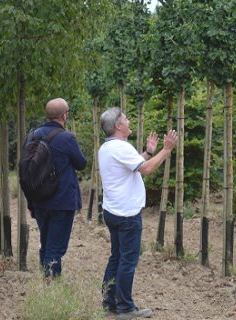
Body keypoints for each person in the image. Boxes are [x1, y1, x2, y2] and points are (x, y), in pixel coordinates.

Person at [98, 107, 177, 319]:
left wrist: (148, 152)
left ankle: (109, 302)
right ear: (118, 126)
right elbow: (146, 169)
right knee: (128, 260)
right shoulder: (121, 148)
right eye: (126, 118)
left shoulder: (108, 148)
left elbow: (133, 164)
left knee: (117, 257)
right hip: (126, 215)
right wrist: (166, 150)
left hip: (112, 211)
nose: (129, 120)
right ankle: (125, 307)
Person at [29, 98, 87, 277]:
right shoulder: (67, 138)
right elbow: (81, 163)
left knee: (45, 242)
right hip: (62, 202)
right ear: (64, 115)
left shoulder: (32, 136)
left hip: (39, 199)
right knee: (56, 247)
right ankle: (52, 286)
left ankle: (45, 281)